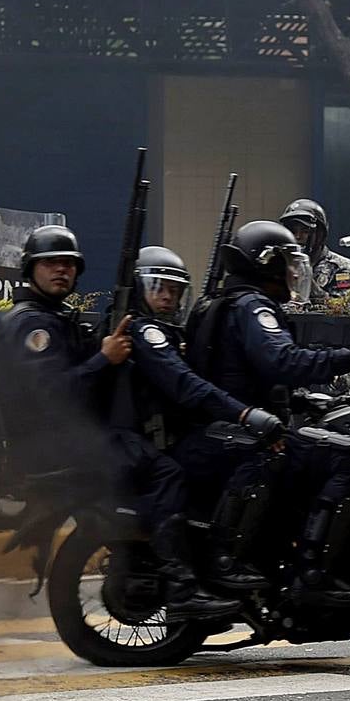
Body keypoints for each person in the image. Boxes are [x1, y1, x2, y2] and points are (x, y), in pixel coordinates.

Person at [0, 226, 245, 621]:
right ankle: (179, 584)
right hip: (54, 442)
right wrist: (102, 359)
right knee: (167, 473)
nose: (62, 270)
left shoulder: (52, 316)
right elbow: (48, 394)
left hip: (67, 435)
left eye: (69, 264)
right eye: (51, 263)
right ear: (30, 268)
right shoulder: (32, 325)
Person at [182, 221, 350, 609]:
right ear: (266, 264)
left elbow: (238, 372)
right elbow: (281, 360)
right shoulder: (254, 306)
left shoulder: (224, 300)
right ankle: (311, 572)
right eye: (287, 262)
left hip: (224, 425)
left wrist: (300, 402)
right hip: (241, 432)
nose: (294, 271)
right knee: (349, 459)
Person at [119, 245, 280, 604]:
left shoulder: (170, 332)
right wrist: (243, 414)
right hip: (145, 441)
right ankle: (212, 564)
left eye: (174, 290)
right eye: (158, 287)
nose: (166, 296)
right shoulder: (145, 333)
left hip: (170, 434)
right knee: (252, 452)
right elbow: (185, 385)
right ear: (139, 287)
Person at [278, 198, 350, 311]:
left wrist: (307, 281)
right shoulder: (280, 264)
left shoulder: (342, 268)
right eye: (293, 231)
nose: (298, 236)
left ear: (320, 234)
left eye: (305, 231)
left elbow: (343, 309)